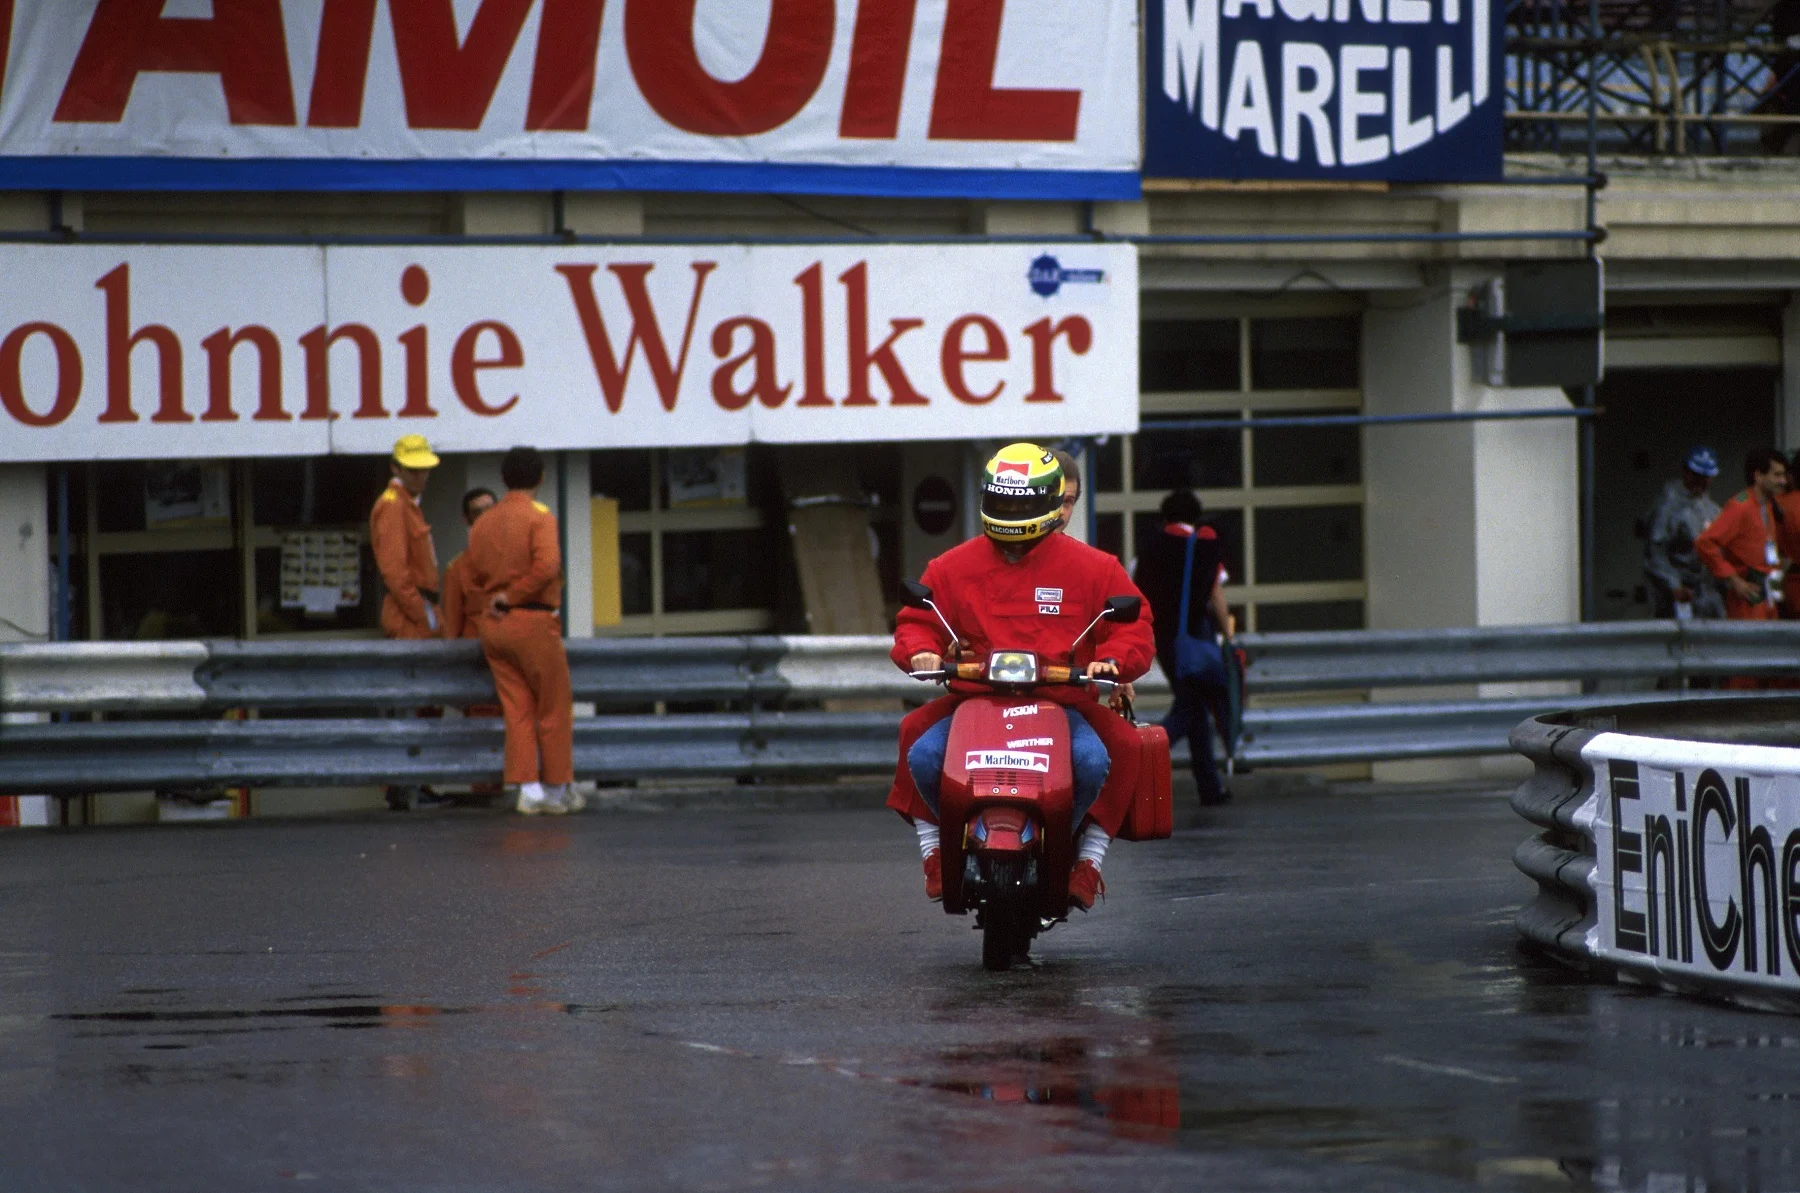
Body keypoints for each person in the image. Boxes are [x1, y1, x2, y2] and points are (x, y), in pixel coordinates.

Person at [888, 443, 1155, 912]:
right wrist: (924, 653)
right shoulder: (951, 567)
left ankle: (1086, 861)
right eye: (1004, 502)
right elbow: (916, 622)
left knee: (1103, 758)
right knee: (922, 750)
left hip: (1065, 702)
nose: (1012, 514)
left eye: (1023, 504)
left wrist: (1111, 660)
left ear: (1051, 503)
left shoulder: (1095, 568)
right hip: (975, 700)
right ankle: (936, 852)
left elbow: (1133, 625)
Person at [466, 447, 577, 815]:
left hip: (493, 626)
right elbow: (547, 567)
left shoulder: (482, 522)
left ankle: (528, 789)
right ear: (541, 477)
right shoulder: (539, 517)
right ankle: (557, 789)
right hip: (532, 621)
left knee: (516, 709)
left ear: (504, 478)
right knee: (553, 705)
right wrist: (512, 595)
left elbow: (476, 572)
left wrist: (498, 598)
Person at [1132, 491, 1234, 806]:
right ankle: (1140, 757)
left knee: (1194, 704)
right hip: (1195, 638)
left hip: (1164, 638)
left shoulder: (1150, 547)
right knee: (1191, 708)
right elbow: (1215, 593)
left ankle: (1210, 787)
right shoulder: (1203, 545)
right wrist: (1229, 634)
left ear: (1165, 516)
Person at [369, 434, 445, 810]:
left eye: (424, 470)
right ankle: (406, 785)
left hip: (418, 612)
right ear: (396, 468)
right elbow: (395, 573)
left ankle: (416, 783)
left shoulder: (405, 504)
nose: (421, 477)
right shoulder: (393, 506)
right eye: (414, 470)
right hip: (410, 616)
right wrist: (423, 616)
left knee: (425, 702)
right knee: (415, 702)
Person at [1695, 448, 1788, 628]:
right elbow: (1705, 542)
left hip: (1768, 596)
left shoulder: (1768, 505)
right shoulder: (1740, 506)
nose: (1783, 481)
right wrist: (1734, 580)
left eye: (1783, 475)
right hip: (1748, 599)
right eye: (1777, 475)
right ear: (1758, 476)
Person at [1643, 446, 1724, 621]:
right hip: (1676, 593)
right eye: (1697, 476)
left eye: (1706, 478)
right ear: (1685, 472)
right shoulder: (1668, 506)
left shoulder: (1711, 508)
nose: (1701, 482)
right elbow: (1656, 553)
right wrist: (1674, 586)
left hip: (1707, 591)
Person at [441, 487, 497, 642]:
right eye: (478, 512)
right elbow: (451, 628)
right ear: (467, 520)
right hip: (477, 652)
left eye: (490, 509)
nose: (486, 516)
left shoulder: (517, 558)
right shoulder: (457, 569)